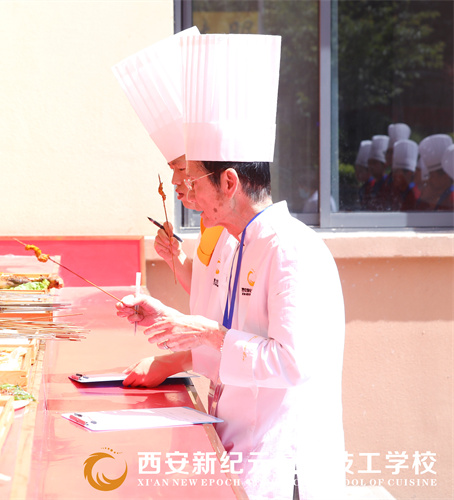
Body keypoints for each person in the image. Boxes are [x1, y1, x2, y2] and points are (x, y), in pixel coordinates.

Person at [116, 33, 345, 500]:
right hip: (236, 444)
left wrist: (202, 332)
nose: (184, 193)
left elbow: (290, 362)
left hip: (281, 463)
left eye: (191, 180)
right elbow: (221, 342)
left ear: (229, 181)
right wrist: (171, 321)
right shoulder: (234, 242)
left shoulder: (291, 250)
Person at [112, 29, 237, 392]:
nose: (178, 183)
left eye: (184, 170)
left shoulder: (246, 234)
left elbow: (241, 339)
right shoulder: (212, 221)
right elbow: (206, 293)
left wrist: (176, 359)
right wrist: (175, 259)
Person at [417, 134, 454, 210]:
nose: (429, 180)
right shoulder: (444, 197)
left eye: (432, 176)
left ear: (445, 177)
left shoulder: (451, 200)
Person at [388, 139, 420, 211]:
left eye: (396, 172)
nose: (393, 175)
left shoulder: (414, 194)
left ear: (409, 173)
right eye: (393, 171)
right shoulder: (397, 190)